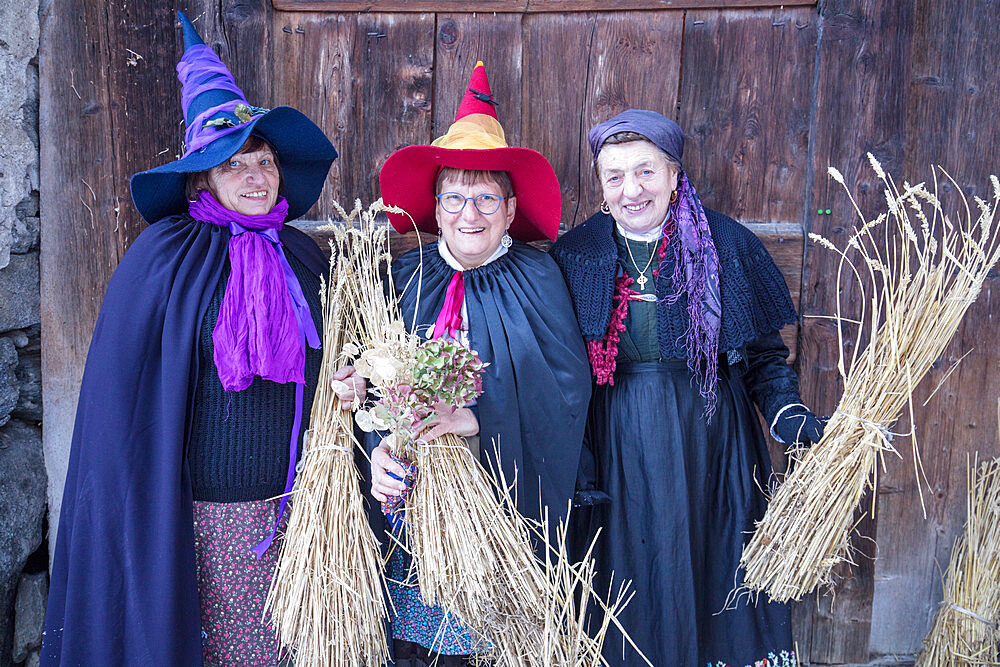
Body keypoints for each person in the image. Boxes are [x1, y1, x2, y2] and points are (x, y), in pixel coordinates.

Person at [41, 13, 358, 666]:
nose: (253, 177)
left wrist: (351, 382)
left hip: (299, 510)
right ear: (202, 178)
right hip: (200, 520)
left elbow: (340, 366)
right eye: (232, 163)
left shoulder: (301, 256)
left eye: (263, 160)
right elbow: (125, 403)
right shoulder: (163, 258)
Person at [550, 109, 825, 667]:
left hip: (712, 439)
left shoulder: (725, 244)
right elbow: (557, 371)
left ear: (675, 173)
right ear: (600, 184)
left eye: (646, 172)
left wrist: (786, 411)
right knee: (628, 578)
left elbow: (766, 358)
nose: (632, 190)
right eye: (615, 176)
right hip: (615, 442)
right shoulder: (575, 255)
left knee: (717, 566)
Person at [370, 62, 594, 666]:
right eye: (455, 197)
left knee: (498, 644)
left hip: (508, 492)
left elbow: (569, 389)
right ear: (435, 207)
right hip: (419, 501)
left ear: (510, 205)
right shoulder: (404, 280)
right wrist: (383, 450)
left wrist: (475, 421)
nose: (471, 213)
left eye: (487, 196)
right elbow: (374, 390)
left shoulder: (539, 276)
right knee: (425, 644)